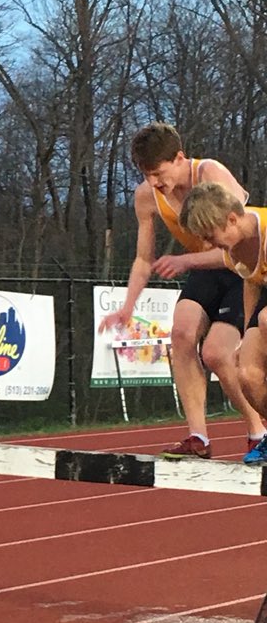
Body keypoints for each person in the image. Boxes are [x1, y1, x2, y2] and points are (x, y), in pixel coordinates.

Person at [99, 122, 266, 459]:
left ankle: (257, 431)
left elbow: (235, 233)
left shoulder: (210, 173)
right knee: (181, 332)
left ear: (179, 158)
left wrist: (186, 260)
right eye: (146, 175)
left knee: (218, 353)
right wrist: (128, 306)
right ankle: (198, 437)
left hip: (237, 264)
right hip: (201, 266)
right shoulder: (147, 197)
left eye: (159, 173)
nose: (154, 183)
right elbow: (144, 258)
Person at [180, 182, 267, 463]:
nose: (209, 245)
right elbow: (251, 282)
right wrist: (246, 333)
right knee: (248, 376)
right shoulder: (233, 250)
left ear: (231, 219)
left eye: (210, 236)